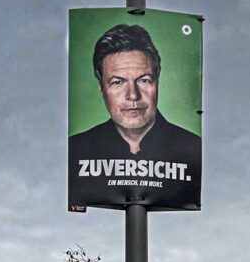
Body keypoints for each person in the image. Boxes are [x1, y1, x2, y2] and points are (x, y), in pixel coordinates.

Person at [68, 23, 201, 210]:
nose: (132, 95)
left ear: (157, 79)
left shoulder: (192, 148)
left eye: (143, 80)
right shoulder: (76, 150)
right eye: (118, 82)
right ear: (101, 87)